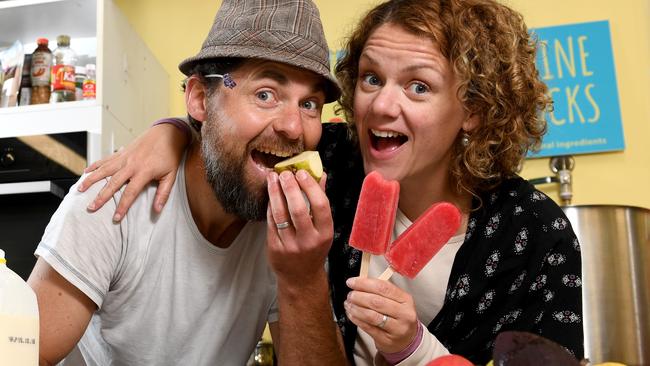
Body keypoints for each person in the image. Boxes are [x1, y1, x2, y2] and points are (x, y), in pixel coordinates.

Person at [79, 0, 584, 364]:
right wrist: (171, 133)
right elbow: (233, 138)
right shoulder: (330, 159)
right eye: (370, 78)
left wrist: (414, 348)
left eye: (418, 86)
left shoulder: (537, 235)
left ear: (471, 109)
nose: (382, 105)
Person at [26, 1, 347, 365]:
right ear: (199, 99)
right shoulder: (113, 197)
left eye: (309, 104)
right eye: (265, 94)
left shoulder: (293, 238)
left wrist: (303, 280)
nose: (293, 127)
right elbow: (20, 355)